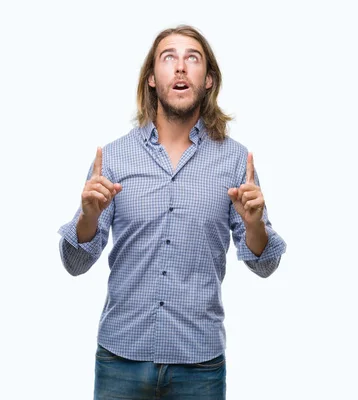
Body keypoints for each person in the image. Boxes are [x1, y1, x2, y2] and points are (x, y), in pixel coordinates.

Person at [57, 24, 287, 400]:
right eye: (169, 58)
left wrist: (255, 225)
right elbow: (75, 263)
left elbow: (264, 265)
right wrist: (87, 218)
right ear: (151, 78)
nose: (180, 68)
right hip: (120, 359)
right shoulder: (113, 158)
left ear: (208, 79)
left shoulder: (235, 161)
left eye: (192, 59)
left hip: (200, 365)